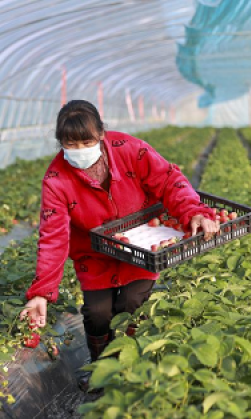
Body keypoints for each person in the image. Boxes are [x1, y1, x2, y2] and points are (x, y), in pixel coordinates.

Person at [20, 100, 220, 391]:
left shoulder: (130, 149)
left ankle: (131, 366)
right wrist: (41, 293)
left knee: (130, 305)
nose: (79, 150)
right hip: (94, 252)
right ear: (60, 143)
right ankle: (101, 368)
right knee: (97, 313)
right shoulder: (56, 179)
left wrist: (194, 212)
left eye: (86, 142)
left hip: (141, 244)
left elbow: (168, 180)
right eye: (70, 144)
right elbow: (53, 236)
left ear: (101, 134)